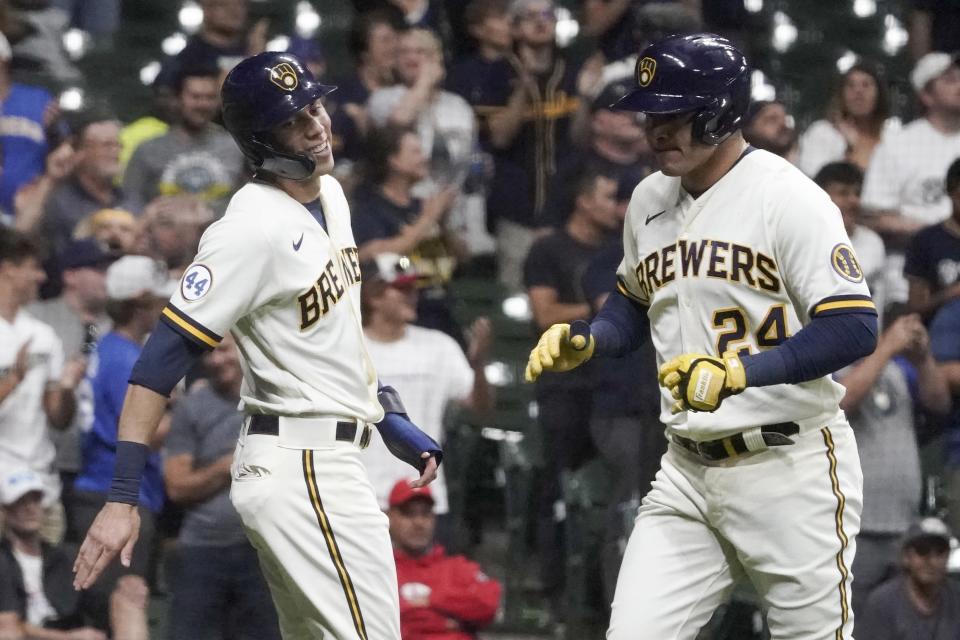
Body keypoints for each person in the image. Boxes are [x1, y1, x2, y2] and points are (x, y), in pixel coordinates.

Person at [71, 52, 443, 640]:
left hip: (328, 456)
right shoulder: (246, 229)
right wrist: (122, 499)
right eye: (294, 120)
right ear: (257, 140)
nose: (316, 124)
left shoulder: (332, 196)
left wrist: (386, 410)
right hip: (302, 466)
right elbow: (156, 365)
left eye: (315, 106)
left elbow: (333, 336)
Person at [525, 33, 879, 638]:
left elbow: (855, 326)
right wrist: (591, 337)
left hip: (788, 466)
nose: (656, 128)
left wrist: (743, 373)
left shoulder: (787, 197)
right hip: (686, 472)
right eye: (650, 113)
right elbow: (633, 306)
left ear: (721, 108)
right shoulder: (647, 200)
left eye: (673, 112)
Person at [523, 169, 620, 610]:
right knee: (559, 484)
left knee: (609, 496)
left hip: (609, 387)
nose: (617, 207)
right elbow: (545, 314)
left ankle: (599, 595)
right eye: (609, 196)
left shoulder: (620, 251)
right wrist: (604, 307)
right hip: (564, 385)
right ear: (583, 201)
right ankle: (554, 587)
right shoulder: (549, 249)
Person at [69, 255, 174, 635]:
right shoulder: (125, 357)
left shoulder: (108, 348)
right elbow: (135, 431)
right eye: (159, 301)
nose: (166, 308)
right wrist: (183, 410)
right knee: (122, 609)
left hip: (105, 488)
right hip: (114, 495)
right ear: (138, 303)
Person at [361, 253, 493, 535]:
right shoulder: (350, 346)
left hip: (423, 499)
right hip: (363, 496)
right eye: (401, 288)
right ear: (373, 296)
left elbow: (479, 406)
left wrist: (479, 365)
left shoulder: (439, 347)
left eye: (414, 289)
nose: (412, 295)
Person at [163, 334, 280, 640]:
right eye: (209, 353)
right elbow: (176, 486)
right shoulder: (193, 408)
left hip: (263, 548)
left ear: (244, 348)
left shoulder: (275, 402)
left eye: (224, 350)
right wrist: (234, 462)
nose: (216, 360)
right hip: (203, 547)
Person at [835, 312, 950, 619]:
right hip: (855, 527)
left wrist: (923, 358)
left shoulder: (901, 371)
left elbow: (940, 403)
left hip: (904, 527)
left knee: (902, 623)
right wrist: (885, 348)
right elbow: (841, 403)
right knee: (849, 620)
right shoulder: (832, 364)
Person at [0, 229, 86, 545]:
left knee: (47, 585)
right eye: (33, 267)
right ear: (8, 267)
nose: (40, 277)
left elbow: (59, 420)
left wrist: (66, 388)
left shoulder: (43, 335)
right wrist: (12, 379)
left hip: (40, 486)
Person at [861, 51, 960, 309]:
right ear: (926, 95)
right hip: (907, 285)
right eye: (950, 80)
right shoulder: (898, 145)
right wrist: (937, 232)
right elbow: (872, 216)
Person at [0, 468, 108, 640]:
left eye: (35, 500)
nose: (30, 508)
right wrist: (68, 638)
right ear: (5, 510)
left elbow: (100, 606)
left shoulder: (67, 557)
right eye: (21, 502)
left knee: (129, 593)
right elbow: (7, 624)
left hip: (69, 629)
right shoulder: (3, 560)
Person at [122, 65, 244, 215]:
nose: (203, 104)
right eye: (196, 97)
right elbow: (129, 203)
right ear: (177, 99)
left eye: (210, 97)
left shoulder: (237, 148)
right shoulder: (147, 150)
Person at [387, 481, 501, 640]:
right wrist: (447, 619)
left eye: (425, 514)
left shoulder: (457, 567)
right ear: (390, 516)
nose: (419, 523)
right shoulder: (381, 570)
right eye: (409, 513)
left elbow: (489, 604)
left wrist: (433, 599)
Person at [858, 517, 960, 639]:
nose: (932, 561)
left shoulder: (956, 596)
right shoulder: (882, 603)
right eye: (922, 551)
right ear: (906, 557)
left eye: (940, 552)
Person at [814, 162, 889, 325]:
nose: (854, 201)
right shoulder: (803, 239)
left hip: (863, 341)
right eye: (843, 193)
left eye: (857, 193)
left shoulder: (872, 243)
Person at [797, 62, 896, 178]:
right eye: (851, 85)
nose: (858, 91)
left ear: (879, 94)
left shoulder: (891, 136)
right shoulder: (822, 132)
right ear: (841, 94)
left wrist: (859, 146)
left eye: (866, 85)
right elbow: (814, 175)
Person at [904, 157, 960, 319]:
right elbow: (914, 307)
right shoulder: (926, 240)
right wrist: (952, 293)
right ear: (950, 192)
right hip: (943, 329)